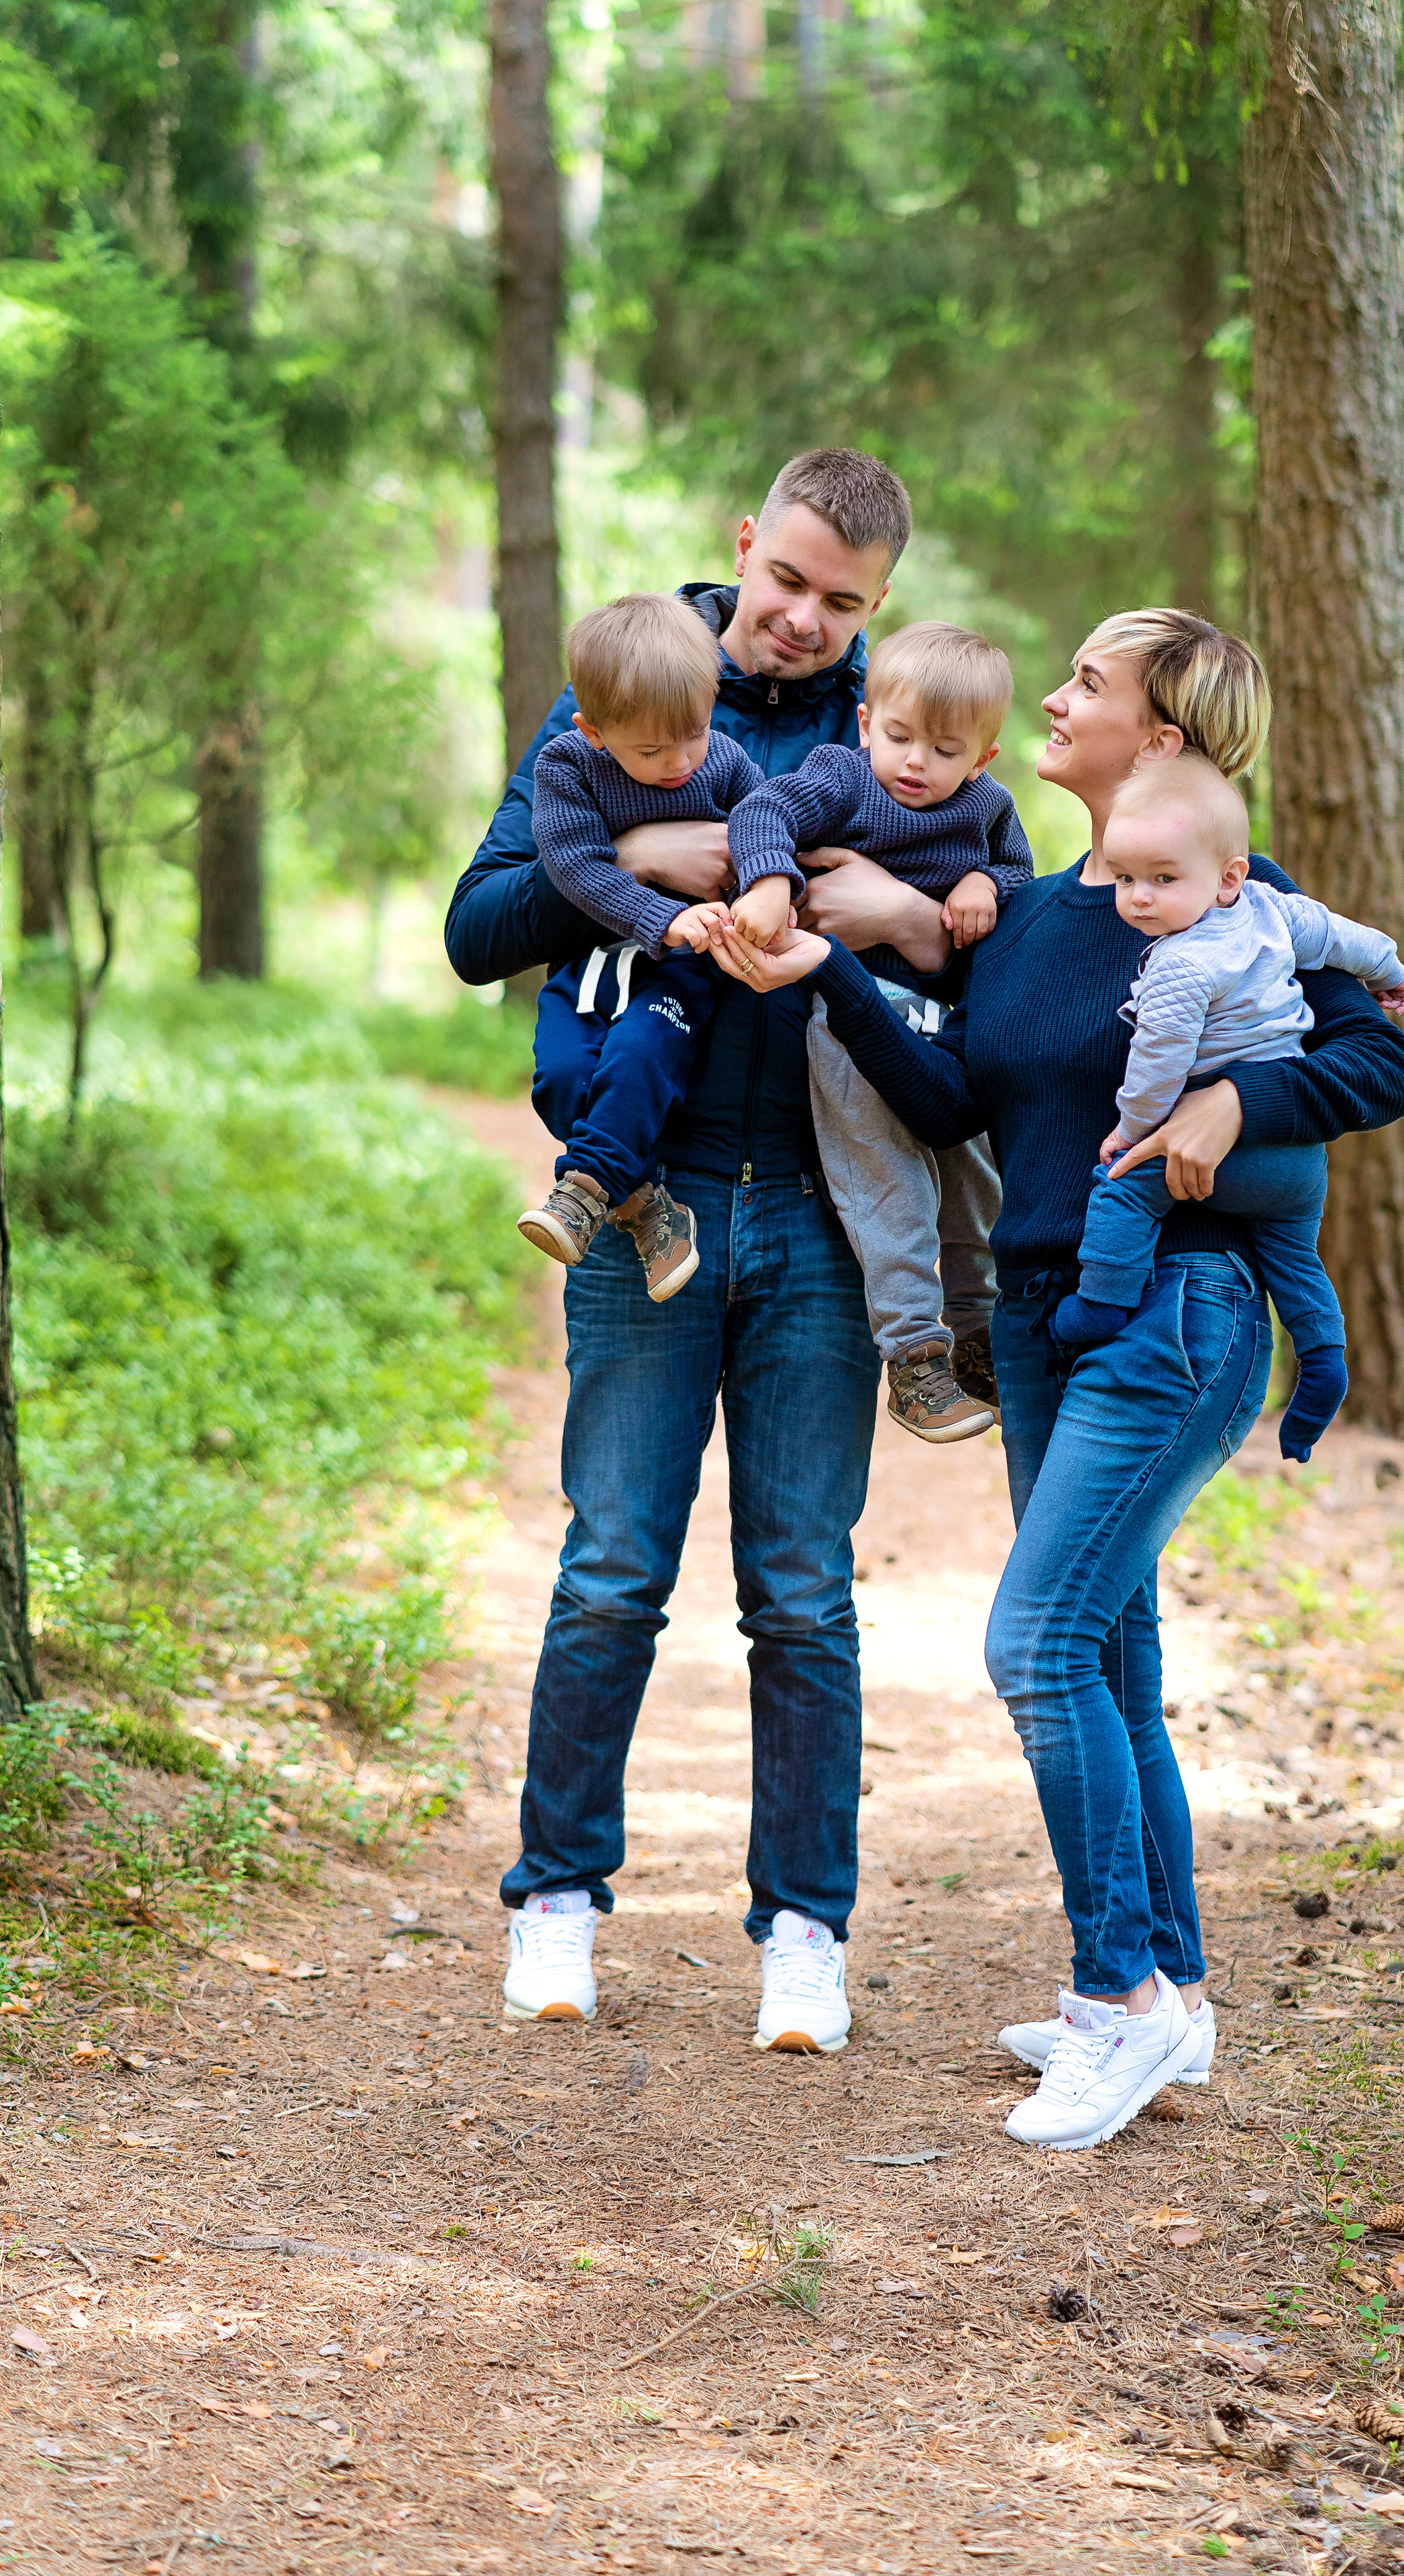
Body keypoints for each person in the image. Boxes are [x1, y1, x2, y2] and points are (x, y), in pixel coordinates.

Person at [702, 606, 1404, 2149]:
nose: (1050, 694)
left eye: (1085, 681)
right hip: (1039, 1314)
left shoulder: (1227, 890)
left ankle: (1120, 2006)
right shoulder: (1032, 912)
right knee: (1104, 1661)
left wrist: (1236, 1097)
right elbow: (961, 1093)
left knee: (1030, 1643)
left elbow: (1382, 1061)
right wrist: (826, 973)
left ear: (1157, 736)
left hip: (1171, 1303)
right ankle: (1169, 1989)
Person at [445, 448, 984, 2049]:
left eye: (845, 603)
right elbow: (479, 927)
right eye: (789, 580)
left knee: (803, 1591)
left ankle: (804, 1930)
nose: (807, 619)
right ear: (743, 544)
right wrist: (644, 874)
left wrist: (891, 902)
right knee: (611, 1564)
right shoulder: (630, 686)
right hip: (640, 1202)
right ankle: (556, 1900)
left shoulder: (906, 743)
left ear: (877, 608)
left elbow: (1019, 903)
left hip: (831, 1216)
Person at [1050, 756, 1404, 1466]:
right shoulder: (1275, 911)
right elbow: (1345, 938)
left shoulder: (1181, 965)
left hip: (1223, 1151)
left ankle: (1099, 1304)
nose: (1139, 899)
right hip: (1295, 1156)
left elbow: (1157, 1065)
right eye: (1125, 879)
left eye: (1161, 879)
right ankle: (1322, 1359)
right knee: (1295, 1262)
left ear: (1227, 876)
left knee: (1122, 1192)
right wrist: (1391, 972)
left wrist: (1131, 1131)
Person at [728, 621, 1034, 1439]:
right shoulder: (840, 777)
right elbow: (765, 811)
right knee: (886, 1180)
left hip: (948, 1030)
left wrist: (982, 880)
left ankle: (978, 1336)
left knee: (976, 1179)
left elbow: (1019, 882)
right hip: (852, 1026)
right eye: (897, 736)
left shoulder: (989, 810)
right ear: (865, 724)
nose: (914, 763)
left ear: (982, 758)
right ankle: (913, 1358)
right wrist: (767, 883)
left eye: (944, 749)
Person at [515, 592, 765, 1298]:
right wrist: (659, 916)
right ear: (595, 731)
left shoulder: (726, 763)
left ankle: (584, 1190)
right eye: (652, 749)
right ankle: (647, 1205)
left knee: (636, 1057)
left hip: (681, 973)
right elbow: (575, 866)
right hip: (596, 959)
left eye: (693, 733)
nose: (681, 760)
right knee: (561, 1076)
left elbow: (763, 832)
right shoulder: (567, 767)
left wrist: (761, 889)